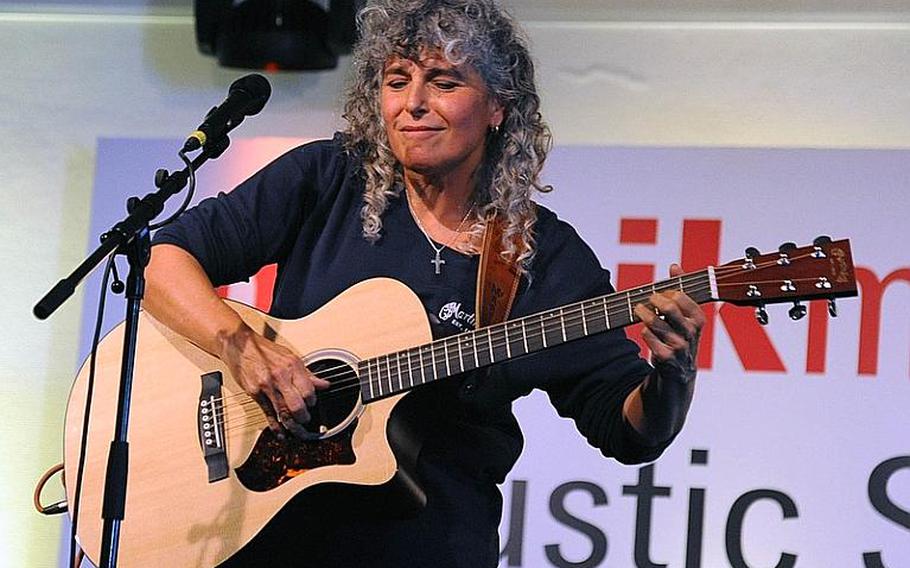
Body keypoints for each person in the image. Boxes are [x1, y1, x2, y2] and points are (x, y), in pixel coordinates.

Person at [146, 0, 705, 566]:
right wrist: (242, 348)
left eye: (443, 82)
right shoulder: (327, 178)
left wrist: (674, 375)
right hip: (267, 539)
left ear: (497, 107)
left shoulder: (544, 257)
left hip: (430, 543)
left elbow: (629, 430)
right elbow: (160, 260)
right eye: (396, 81)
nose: (413, 103)